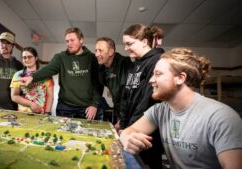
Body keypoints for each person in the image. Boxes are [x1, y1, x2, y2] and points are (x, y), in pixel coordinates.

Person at [120, 48, 242, 169]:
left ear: (180, 78)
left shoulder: (221, 117)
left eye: (158, 74)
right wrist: (127, 138)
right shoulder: (159, 110)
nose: (151, 80)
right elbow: (129, 131)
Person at [19, 27, 103, 120]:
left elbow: (98, 84)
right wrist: (32, 77)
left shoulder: (92, 58)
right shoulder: (60, 57)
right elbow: (48, 69)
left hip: (86, 108)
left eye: (72, 40)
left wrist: (95, 105)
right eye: (67, 41)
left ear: (81, 40)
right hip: (65, 108)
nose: (69, 44)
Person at [120, 24, 165, 169]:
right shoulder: (135, 64)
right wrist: (123, 126)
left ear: (144, 41)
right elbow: (126, 96)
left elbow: (148, 100)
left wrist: (132, 128)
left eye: (129, 44)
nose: (126, 48)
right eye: (124, 44)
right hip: (130, 128)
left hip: (146, 130)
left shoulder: (156, 60)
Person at [95, 37, 132, 129]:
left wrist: (122, 119)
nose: (96, 54)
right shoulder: (102, 69)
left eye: (100, 50)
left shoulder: (125, 63)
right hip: (119, 111)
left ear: (111, 52)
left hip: (130, 114)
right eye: (96, 51)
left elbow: (127, 95)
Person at [10, 47, 54, 114]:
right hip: (23, 113)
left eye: (30, 57)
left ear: (36, 58)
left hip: (41, 113)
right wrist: (31, 104)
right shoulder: (18, 75)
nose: (27, 59)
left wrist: (47, 112)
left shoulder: (45, 74)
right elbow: (14, 96)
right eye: (24, 57)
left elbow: (50, 95)